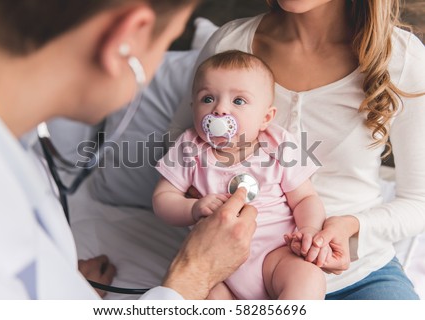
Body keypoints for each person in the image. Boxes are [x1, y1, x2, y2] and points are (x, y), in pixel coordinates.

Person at [0, 0, 259, 300]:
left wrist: (67, 294)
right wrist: (194, 274)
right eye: (166, 41)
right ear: (126, 40)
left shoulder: (17, 153)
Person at [169, 0, 425, 299]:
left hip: (358, 275)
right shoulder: (230, 44)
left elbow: (419, 201)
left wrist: (350, 228)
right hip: (229, 272)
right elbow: (179, 150)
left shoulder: (402, 58)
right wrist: (199, 204)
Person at [154, 50, 328, 300]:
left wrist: (309, 229)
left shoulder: (279, 144)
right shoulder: (189, 146)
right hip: (215, 266)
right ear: (193, 109)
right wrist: (192, 208)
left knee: (307, 277)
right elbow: (163, 197)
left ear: (265, 118)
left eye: (238, 101)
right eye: (207, 99)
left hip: (277, 254)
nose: (220, 110)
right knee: (206, 298)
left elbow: (304, 199)